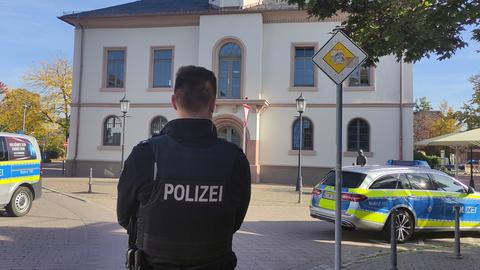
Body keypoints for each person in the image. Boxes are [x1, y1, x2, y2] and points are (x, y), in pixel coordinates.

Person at [117, 65, 251, 270]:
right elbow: (235, 222)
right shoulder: (235, 159)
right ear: (213, 103)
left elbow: (125, 216)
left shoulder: (144, 154)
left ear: (173, 102)